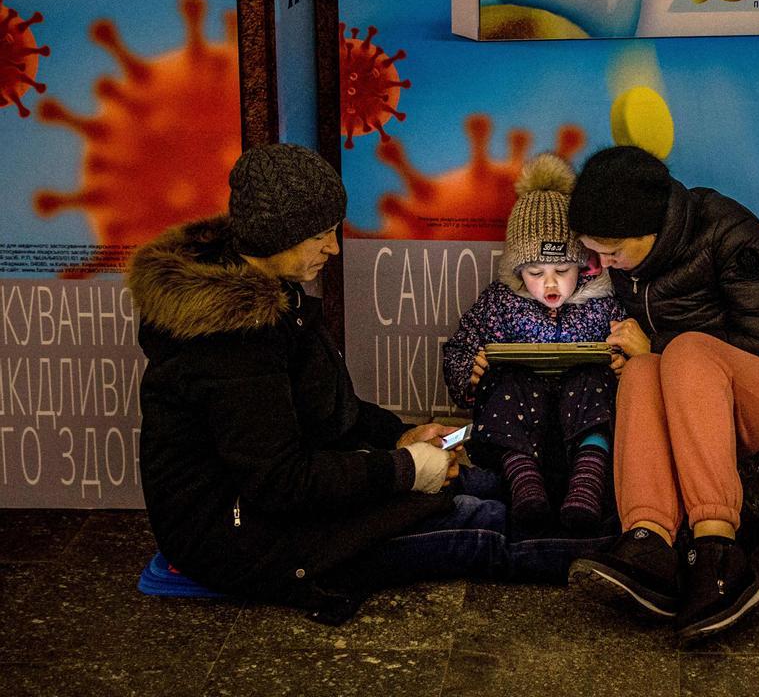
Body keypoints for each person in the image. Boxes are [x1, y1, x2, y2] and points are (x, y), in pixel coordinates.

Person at [129, 143, 508, 622]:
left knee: (480, 484)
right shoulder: (232, 340)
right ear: (276, 237)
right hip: (234, 537)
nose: (333, 248)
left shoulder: (270, 289)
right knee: (483, 525)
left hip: (277, 502)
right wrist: (405, 470)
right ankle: (608, 552)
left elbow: (325, 409)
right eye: (321, 236)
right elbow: (283, 483)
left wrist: (399, 437)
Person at [565, 145, 759, 641]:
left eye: (612, 249)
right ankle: (648, 541)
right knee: (640, 373)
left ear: (651, 229)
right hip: (712, 419)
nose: (603, 262)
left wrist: (656, 344)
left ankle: (720, 550)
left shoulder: (727, 232)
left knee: (683, 351)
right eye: (595, 250)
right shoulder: (633, 260)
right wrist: (641, 355)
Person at [443, 153, 626, 535]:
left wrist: (623, 363)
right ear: (517, 269)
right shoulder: (499, 302)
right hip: (516, 438)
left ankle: (587, 486)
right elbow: (460, 347)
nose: (551, 284)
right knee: (506, 380)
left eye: (563, 270)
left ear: (584, 265)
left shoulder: (604, 303)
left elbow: (632, 350)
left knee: (592, 378)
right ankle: (525, 486)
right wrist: (470, 373)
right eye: (535, 272)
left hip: (581, 438)